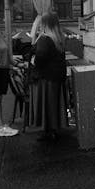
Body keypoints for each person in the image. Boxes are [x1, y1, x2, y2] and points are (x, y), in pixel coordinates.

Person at [29, 12, 66, 141]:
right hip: (56, 77)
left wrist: (33, 61)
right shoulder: (59, 38)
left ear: (44, 24)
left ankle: (48, 130)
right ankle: (54, 129)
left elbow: (40, 57)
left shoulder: (44, 39)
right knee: (54, 104)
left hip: (45, 78)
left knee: (46, 104)